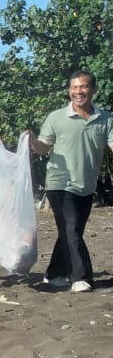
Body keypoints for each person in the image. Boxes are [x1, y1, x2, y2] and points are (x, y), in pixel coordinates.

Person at [27, 69, 113, 293]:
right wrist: (33, 142)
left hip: (86, 185)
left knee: (70, 231)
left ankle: (54, 274)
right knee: (71, 229)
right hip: (60, 184)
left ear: (94, 89)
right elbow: (43, 147)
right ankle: (81, 277)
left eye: (83, 86)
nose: (78, 91)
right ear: (69, 91)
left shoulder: (106, 119)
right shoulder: (56, 117)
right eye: (74, 87)